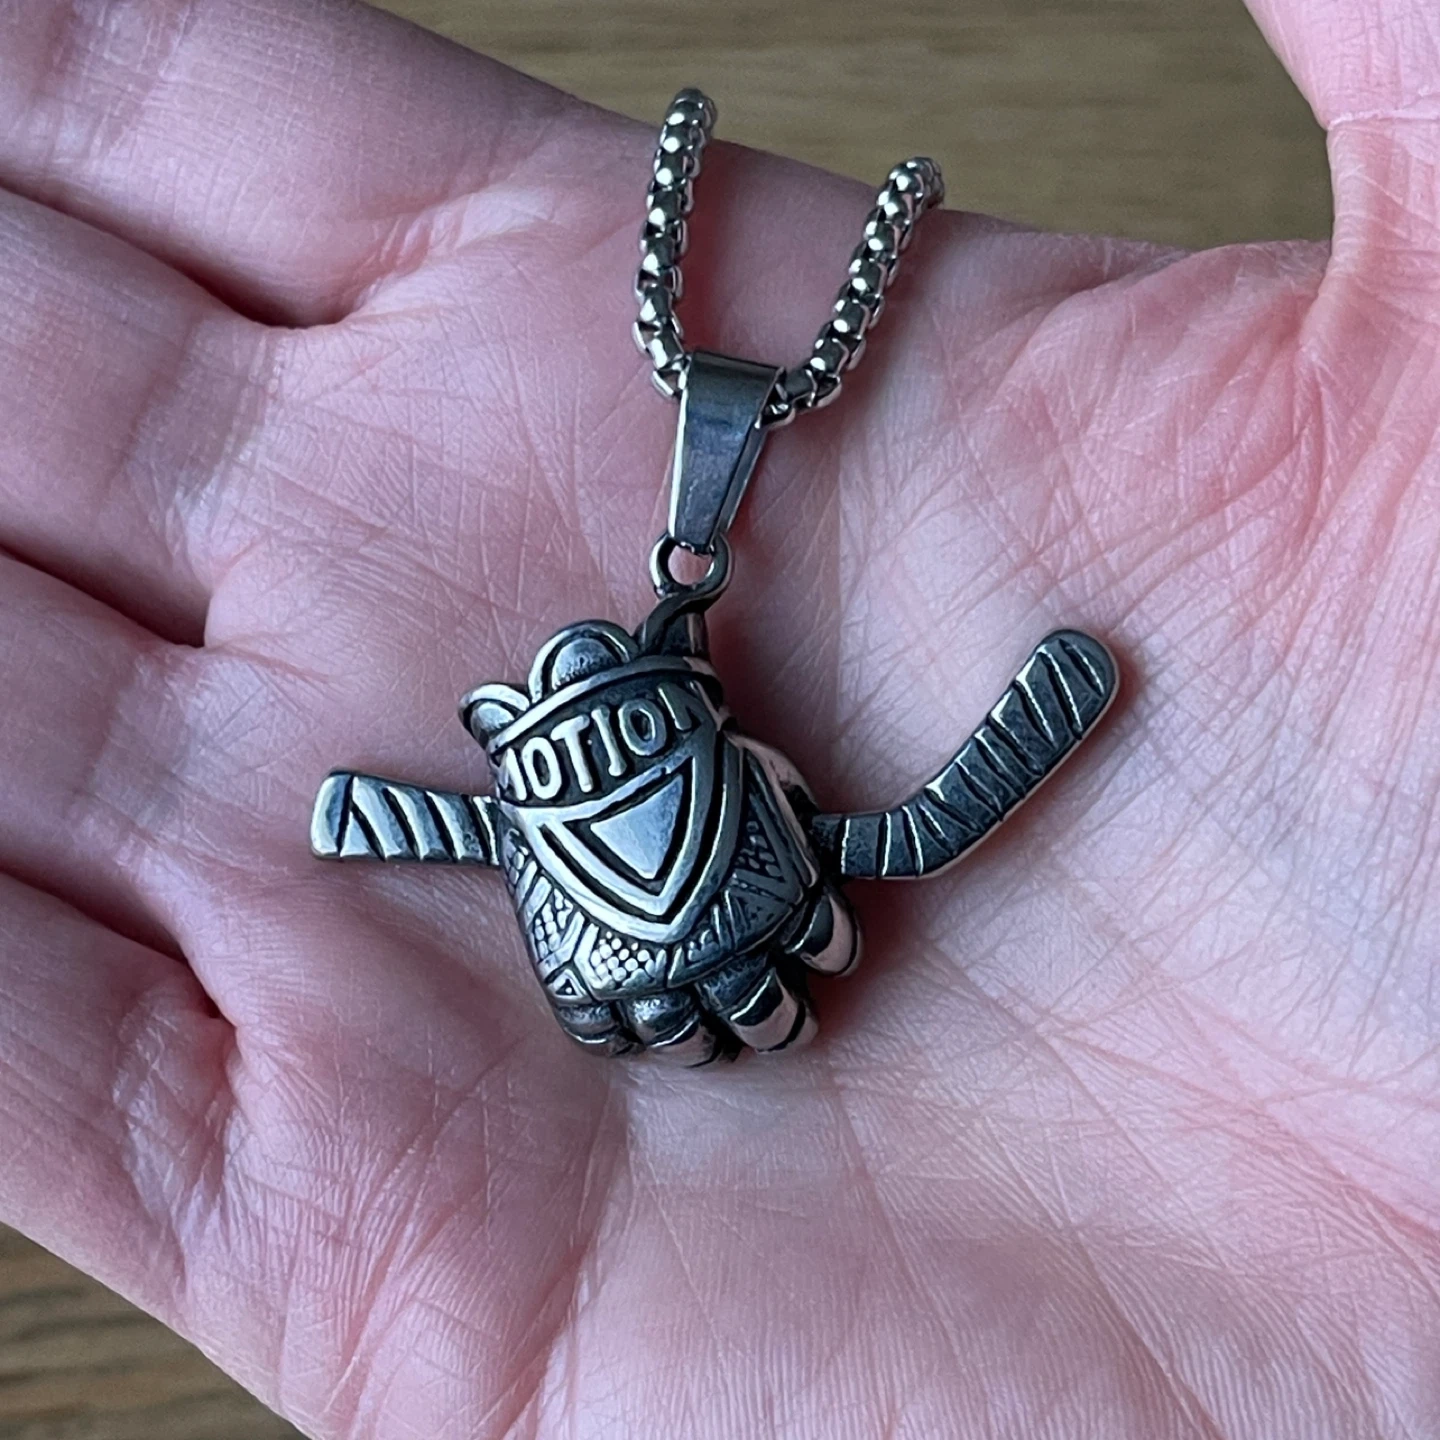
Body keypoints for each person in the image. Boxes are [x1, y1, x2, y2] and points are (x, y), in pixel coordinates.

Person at [1, 0, 1437, 1435]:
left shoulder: (611, 805)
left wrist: (380, 818)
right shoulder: (614, 803)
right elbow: (885, 835)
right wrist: (1017, 736)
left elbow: (540, 829)